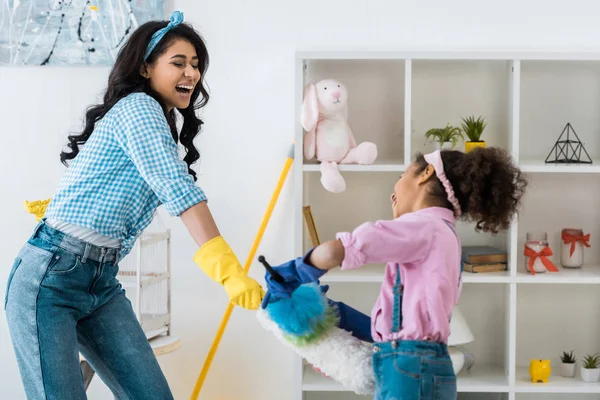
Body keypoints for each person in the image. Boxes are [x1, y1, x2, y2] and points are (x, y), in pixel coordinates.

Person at [5, 10, 264, 400]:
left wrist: (73, 207)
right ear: (145, 68)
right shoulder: (140, 108)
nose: (191, 74)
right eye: (178, 63)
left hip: (100, 280)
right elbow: (175, 186)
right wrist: (226, 269)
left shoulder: (154, 118)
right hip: (51, 278)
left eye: (196, 65)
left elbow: (117, 177)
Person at [263, 147, 527, 400]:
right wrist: (337, 316)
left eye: (401, 176)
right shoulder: (445, 235)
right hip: (425, 367)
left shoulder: (424, 227)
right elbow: (402, 323)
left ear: (426, 173)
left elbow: (336, 251)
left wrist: (292, 273)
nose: (396, 187)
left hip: (409, 368)